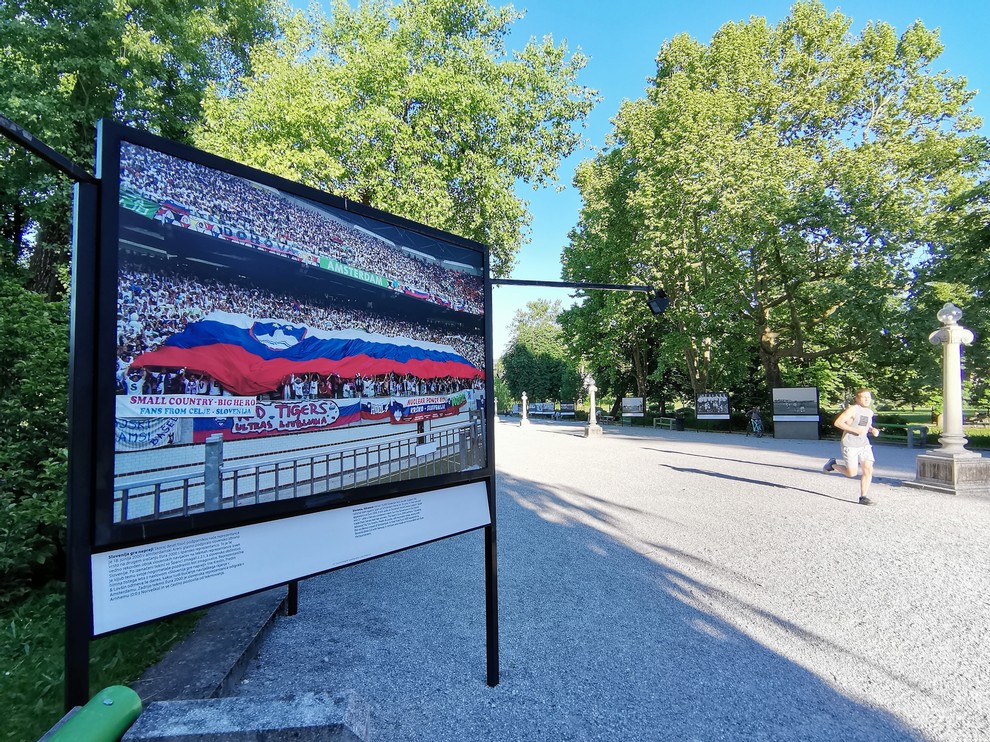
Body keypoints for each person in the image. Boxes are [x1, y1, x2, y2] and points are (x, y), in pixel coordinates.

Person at [822, 389, 881, 505]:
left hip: (864, 444)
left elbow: (866, 425)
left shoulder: (869, 412)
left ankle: (863, 497)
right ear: (857, 399)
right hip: (850, 444)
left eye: (868, 397)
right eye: (864, 397)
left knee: (868, 469)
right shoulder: (853, 409)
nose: (867, 399)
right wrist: (855, 430)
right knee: (851, 473)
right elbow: (838, 423)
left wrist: (872, 430)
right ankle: (832, 465)